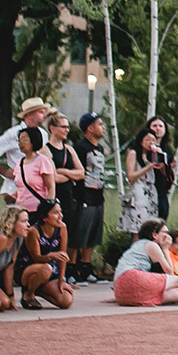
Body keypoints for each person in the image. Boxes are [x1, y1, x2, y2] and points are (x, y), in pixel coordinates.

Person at [0, 97, 52, 204]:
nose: (44, 115)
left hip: (37, 188)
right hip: (16, 188)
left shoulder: (43, 134)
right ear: (30, 114)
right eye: (41, 112)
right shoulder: (13, 133)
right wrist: (4, 172)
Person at [15, 200, 75, 310]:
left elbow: (63, 256)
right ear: (45, 216)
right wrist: (51, 256)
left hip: (51, 271)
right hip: (31, 269)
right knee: (46, 269)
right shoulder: (34, 231)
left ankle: (38, 289)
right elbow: (36, 258)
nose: (60, 216)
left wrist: (61, 279)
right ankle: (28, 293)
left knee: (66, 301)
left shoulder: (62, 228)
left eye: (60, 212)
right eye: (55, 213)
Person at [71, 112, 108, 283]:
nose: (103, 127)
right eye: (100, 124)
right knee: (80, 232)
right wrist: (77, 196)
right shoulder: (81, 147)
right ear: (90, 128)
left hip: (97, 194)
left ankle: (86, 266)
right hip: (84, 194)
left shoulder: (99, 148)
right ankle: (72, 268)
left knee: (93, 233)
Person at [45, 112, 85, 246]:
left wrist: (64, 172)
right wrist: (69, 175)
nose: (66, 130)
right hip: (54, 196)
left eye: (67, 127)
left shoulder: (69, 149)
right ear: (52, 128)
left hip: (68, 197)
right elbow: (53, 177)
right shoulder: (45, 149)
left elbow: (81, 173)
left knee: (67, 232)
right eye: (63, 127)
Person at [118, 126, 162, 235]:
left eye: (153, 140)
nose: (151, 143)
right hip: (139, 194)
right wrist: (149, 166)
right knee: (138, 230)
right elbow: (130, 176)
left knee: (151, 229)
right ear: (141, 141)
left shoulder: (151, 155)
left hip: (150, 194)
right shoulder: (134, 153)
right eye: (147, 140)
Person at [12, 127, 57, 216]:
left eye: (24, 139)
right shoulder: (19, 163)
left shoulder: (42, 161)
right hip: (21, 211)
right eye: (19, 140)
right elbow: (21, 187)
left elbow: (51, 186)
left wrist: (47, 207)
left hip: (38, 210)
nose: (21, 143)